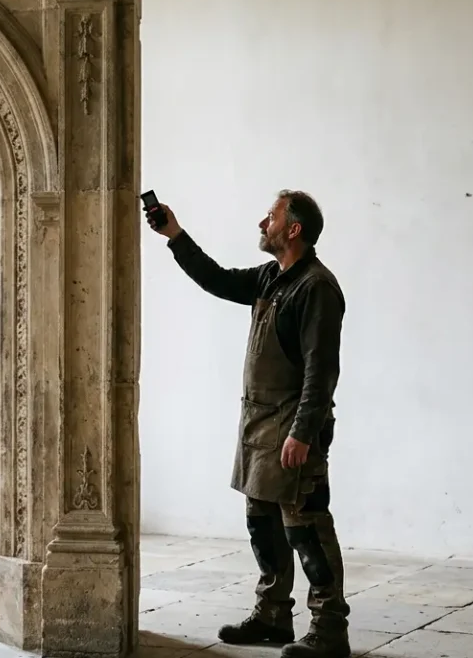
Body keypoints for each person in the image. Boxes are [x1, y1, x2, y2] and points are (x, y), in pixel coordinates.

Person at [146, 190, 349, 658]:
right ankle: (273, 615)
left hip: (293, 426)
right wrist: (174, 235)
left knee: (306, 526)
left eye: (272, 216)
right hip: (259, 425)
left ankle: (329, 628)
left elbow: (322, 371)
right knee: (262, 521)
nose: (263, 223)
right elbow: (216, 279)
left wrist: (302, 432)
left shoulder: (316, 287)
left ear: (293, 229)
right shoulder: (270, 278)